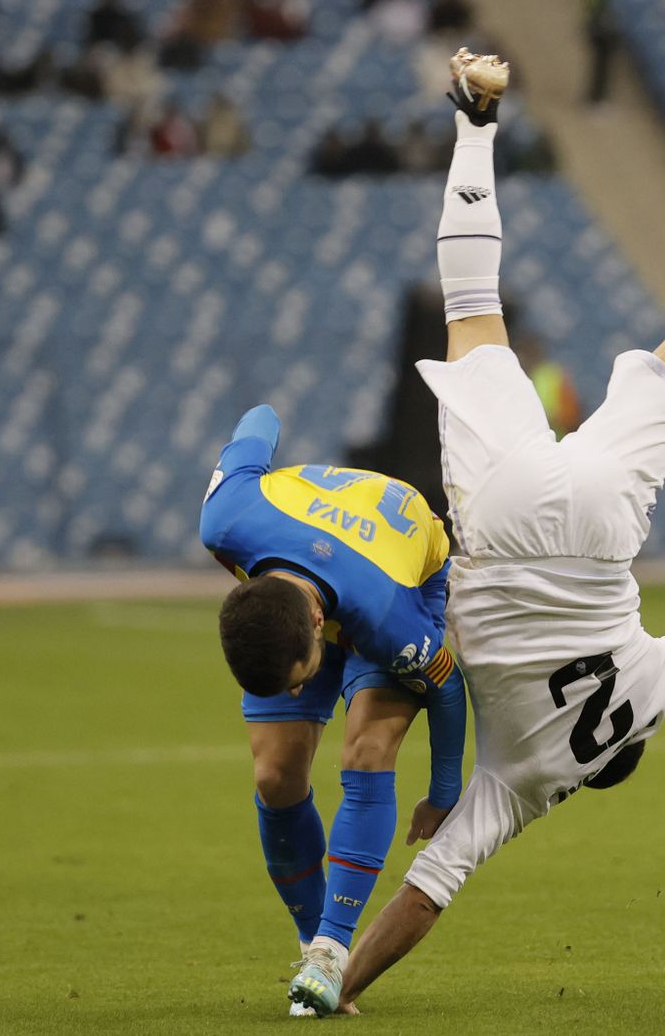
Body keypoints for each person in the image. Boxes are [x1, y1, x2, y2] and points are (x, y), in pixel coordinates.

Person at [291, 50, 665, 1016]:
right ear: (600, 770)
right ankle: (475, 122)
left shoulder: (653, 683)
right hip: (503, 523)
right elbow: (424, 893)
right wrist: (343, 986)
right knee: (474, 312)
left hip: (605, 522)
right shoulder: (526, 784)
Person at [198, 406, 468, 1016]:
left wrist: (444, 791)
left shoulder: (386, 619)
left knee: (368, 749)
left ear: (321, 628)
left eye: (300, 680)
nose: (297, 693)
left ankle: (331, 952)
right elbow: (261, 418)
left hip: (400, 568)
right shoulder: (225, 519)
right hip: (313, 552)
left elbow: (447, 688)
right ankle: (312, 938)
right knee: (274, 775)